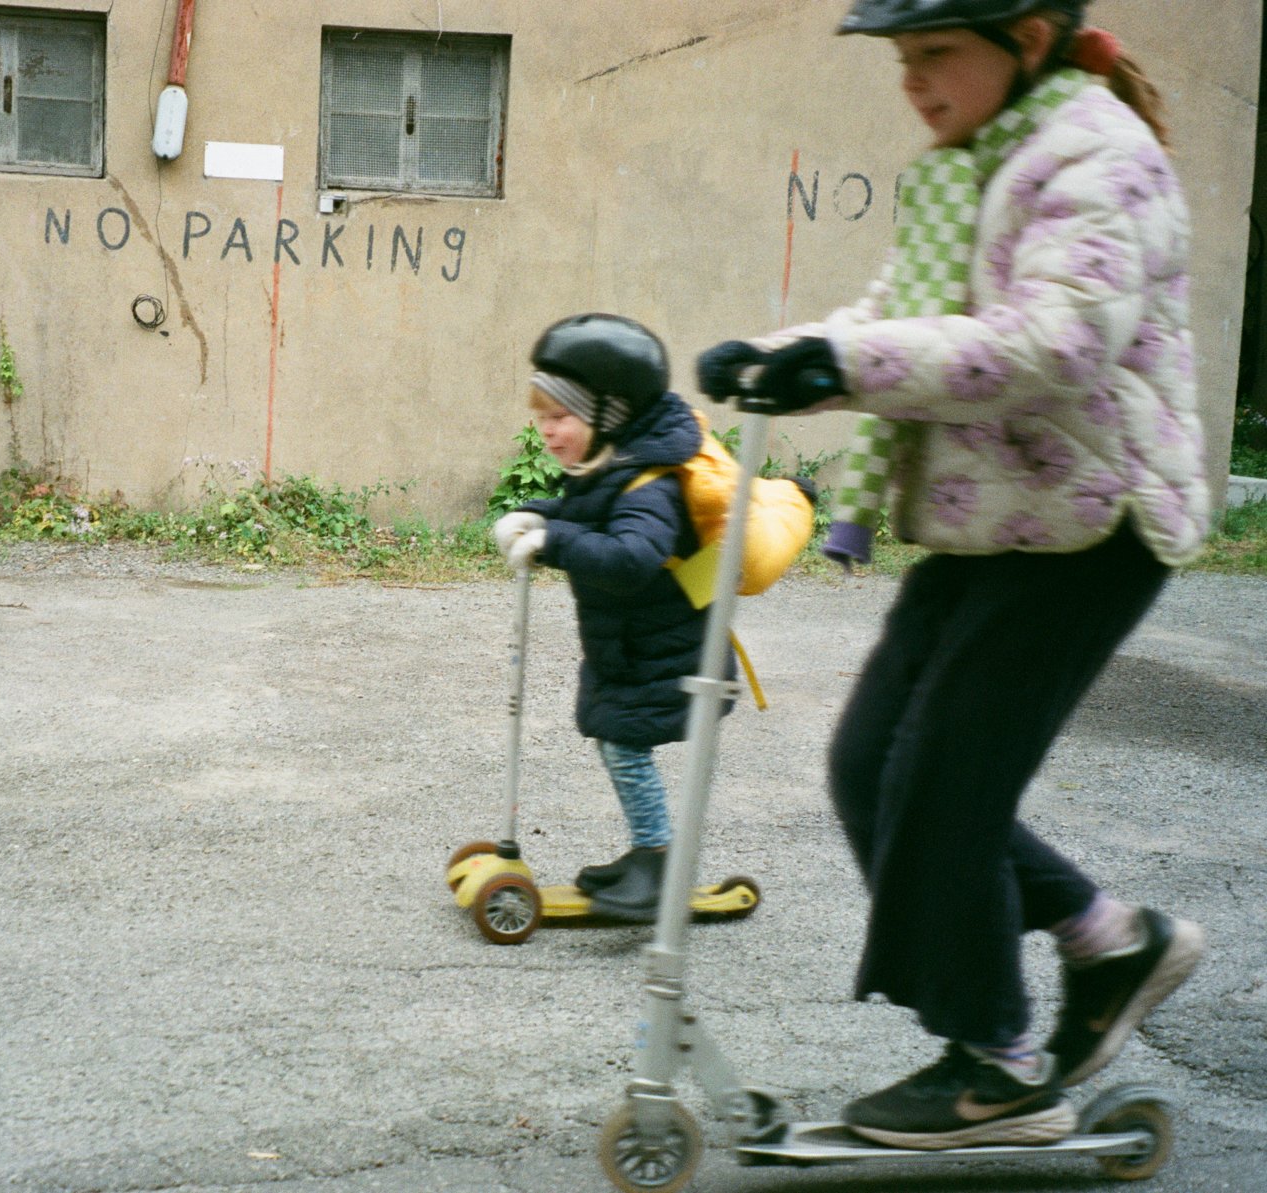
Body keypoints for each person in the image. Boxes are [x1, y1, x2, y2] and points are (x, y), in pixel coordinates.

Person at [696, 0, 1207, 1152]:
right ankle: (1107, 939)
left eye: (936, 53)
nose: (914, 83)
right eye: (902, 60)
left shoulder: (1099, 159)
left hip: (1092, 518)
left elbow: (1054, 340)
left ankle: (1000, 1069)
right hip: (995, 513)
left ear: (1027, 38)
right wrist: (786, 357)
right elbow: (905, 319)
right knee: (875, 762)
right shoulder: (972, 166)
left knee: (945, 786)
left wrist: (848, 360)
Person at [492, 313, 731, 924]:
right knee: (617, 746)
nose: (546, 432)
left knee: (624, 750)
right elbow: (590, 514)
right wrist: (535, 514)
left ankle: (659, 862)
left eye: (559, 417)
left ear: (612, 413)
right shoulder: (616, 466)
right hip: (632, 649)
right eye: (540, 417)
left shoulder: (649, 485)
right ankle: (649, 852)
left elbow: (629, 557)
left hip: (669, 655)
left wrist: (553, 542)